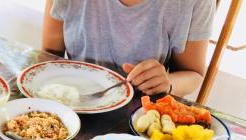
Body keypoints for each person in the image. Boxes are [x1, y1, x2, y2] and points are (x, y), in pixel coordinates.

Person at [42, 0, 215, 97]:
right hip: (71, 103)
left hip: (138, 117)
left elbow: (194, 74)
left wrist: (167, 83)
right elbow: (48, 56)